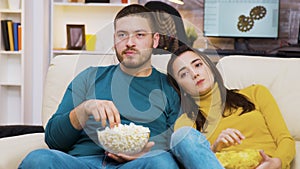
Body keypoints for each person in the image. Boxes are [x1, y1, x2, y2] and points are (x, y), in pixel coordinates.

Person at [18, 4, 181, 169]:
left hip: (137, 164)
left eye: (139, 35)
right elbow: (53, 140)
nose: (129, 43)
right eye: (122, 35)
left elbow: (177, 142)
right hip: (82, 162)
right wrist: (83, 110)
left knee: (162, 163)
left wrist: (146, 152)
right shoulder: (89, 77)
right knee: (38, 159)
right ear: (114, 39)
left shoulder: (169, 87)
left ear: (155, 40)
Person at [167, 45, 295, 169]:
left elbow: (285, 139)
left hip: (266, 165)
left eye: (198, 65)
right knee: (181, 136)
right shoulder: (186, 123)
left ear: (210, 67)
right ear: (180, 87)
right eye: (184, 74)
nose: (194, 74)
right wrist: (214, 148)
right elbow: (194, 160)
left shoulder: (256, 93)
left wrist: (277, 163)